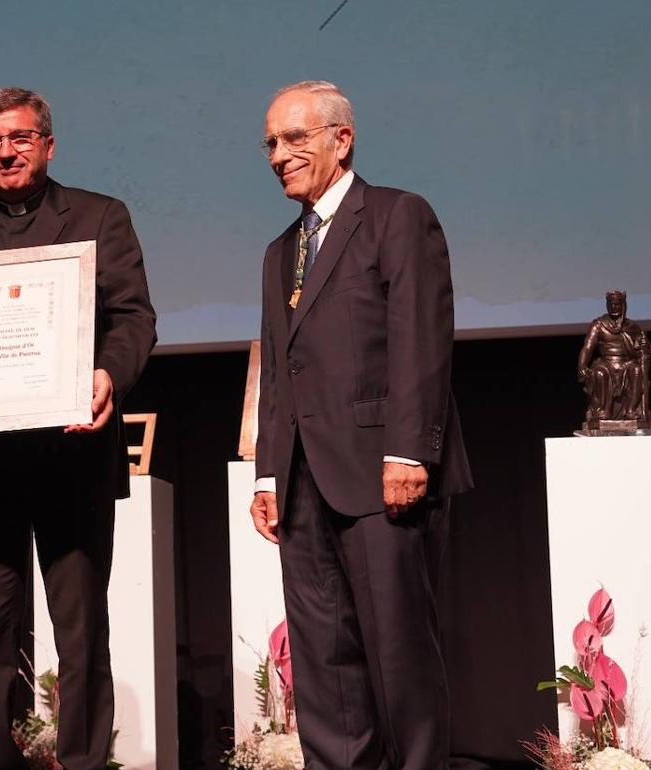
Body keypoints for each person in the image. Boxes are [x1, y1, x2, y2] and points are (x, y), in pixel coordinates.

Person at [0, 87, 156, 770]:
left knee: (80, 641)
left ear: (48, 143)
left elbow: (134, 319)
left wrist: (107, 374)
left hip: (71, 459)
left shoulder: (102, 217)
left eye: (19, 138)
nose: (6, 152)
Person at [249, 81, 473, 770]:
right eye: (271, 145)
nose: (279, 156)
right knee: (322, 663)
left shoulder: (397, 216)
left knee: (400, 655)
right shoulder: (279, 249)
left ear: (340, 140)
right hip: (303, 480)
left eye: (295, 139)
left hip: (384, 473)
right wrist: (266, 471)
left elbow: (420, 340)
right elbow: (282, 367)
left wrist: (409, 451)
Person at [578, 290, 651, 428]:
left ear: (623, 305)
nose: (614, 307)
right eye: (611, 304)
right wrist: (582, 365)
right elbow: (588, 348)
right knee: (599, 372)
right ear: (607, 305)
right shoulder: (599, 325)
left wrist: (643, 345)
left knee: (636, 370)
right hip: (606, 363)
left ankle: (631, 410)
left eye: (617, 304)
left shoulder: (631, 327)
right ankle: (604, 410)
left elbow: (643, 349)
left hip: (626, 363)